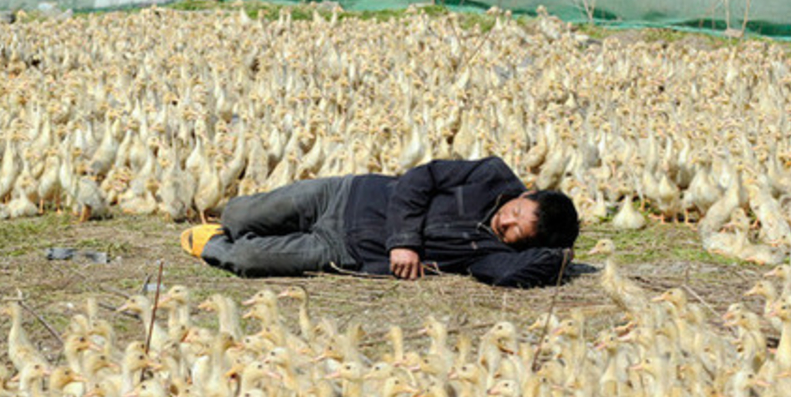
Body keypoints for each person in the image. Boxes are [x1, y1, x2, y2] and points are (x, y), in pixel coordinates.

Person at [179, 156, 579, 288]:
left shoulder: (492, 255)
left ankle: (213, 244)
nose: (505, 223)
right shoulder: (489, 175)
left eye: (515, 233)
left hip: (346, 251)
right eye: (515, 213)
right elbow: (421, 179)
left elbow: (521, 273)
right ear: (526, 193)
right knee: (238, 214)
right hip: (346, 197)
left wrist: (562, 252)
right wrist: (405, 240)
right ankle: (225, 226)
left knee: (248, 260)